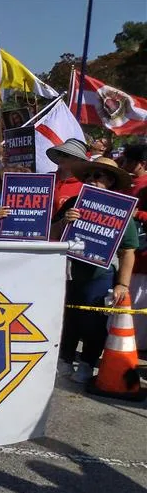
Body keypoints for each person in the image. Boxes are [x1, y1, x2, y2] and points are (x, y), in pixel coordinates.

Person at [51, 157, 138, 383]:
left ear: (109, 181)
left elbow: (128, 250)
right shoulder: (73, 203)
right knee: (67, 318)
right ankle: (65, 359)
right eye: (89, 175)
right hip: (69, 272)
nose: (91, 180)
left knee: (94, 322)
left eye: (97, 176)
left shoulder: (120, 209)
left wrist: (122, 284)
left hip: (100, 274)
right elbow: (50, 234)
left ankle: (88, 362)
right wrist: (64, 223)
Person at [120, 144, 147, 352]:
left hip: (142, 258)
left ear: (142, 164)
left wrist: (138, 214)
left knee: (139, 306)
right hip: (125, 256)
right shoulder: (125, 183)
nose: (125, 164)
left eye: (129, 161)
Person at [46, 138, 90, 213]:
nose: (61, 157)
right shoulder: (47, 178)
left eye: (65, 155)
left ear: (78, 159)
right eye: (59, 153)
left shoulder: (85, 185)